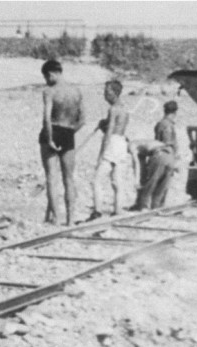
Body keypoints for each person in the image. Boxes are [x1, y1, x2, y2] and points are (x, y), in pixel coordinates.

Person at [39, 59, 84, 226]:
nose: (46, 81)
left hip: (52, 131)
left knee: (51, 177)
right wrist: (70, 133)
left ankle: (56, 218)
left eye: (46, 77)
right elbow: (83, 120)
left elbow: (46, 118)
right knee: (69, 178)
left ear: (51, 74)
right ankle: (70, 219)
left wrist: (50, 138)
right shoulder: (76, 91)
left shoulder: (49, 91)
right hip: (68, 133)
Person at [89, 80, 131, 220]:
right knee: (117, 181)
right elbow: (118, 126)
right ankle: (118, 210)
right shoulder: (125, 108)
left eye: (107, 92)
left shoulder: (113, 109)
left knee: (97, 180)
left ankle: (97, 211)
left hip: (113, 142)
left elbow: (109, 132)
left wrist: (101, 154)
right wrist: (104, 123)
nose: (105, 95)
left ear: (114, 93)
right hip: (122, 142)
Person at [133, 100, 179, 210]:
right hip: (164, 154)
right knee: (157, 183)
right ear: (175, 112)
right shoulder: (166, 125)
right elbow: (164, 142)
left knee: (157, 182)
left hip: (163, 155)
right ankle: (149, 206)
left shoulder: (163, 123)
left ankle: (150, 206)